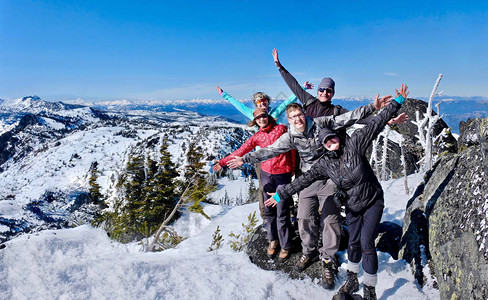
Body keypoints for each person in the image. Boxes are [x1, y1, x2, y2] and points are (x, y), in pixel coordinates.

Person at [226, 95, 392, 289]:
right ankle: (309, 251)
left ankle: (327, 260)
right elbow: (269, 150)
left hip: (330, 178)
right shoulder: (290, 137)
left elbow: (348, 118)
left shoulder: (321, 124)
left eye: (299, 115)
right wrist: (244, 159)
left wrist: (373, 107)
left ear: (304, 114)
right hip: (307, 178)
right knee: (304, 217)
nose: (297, 119)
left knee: (330, 219)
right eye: (293, 117)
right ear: (288, 120)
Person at [265, 85, 409, 300]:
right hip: (352, 204)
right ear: (322, 145)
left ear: (337, 136)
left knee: (366, 243)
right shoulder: (324, 165)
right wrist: (280, 195)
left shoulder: (355, 144)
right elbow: (303, 180)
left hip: (371, 201)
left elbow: (377, 123)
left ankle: (370, 288)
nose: (331, 142)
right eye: (326, 141)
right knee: (352, 242)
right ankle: (352, 278)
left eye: (332, 137)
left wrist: (396, 103)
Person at [213, 108, 296, 261]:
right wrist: (223, 162)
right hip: (266, 174)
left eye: (263, 116)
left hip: (282, 173)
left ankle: (285, 245)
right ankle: (273, 240)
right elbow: (241, 150)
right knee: (269, 208)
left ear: (268, 116)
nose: (261, 119)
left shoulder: (281, 129)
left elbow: (291, 148)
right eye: (258, 118)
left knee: (282, 208)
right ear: (255, 121)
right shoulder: (257, 137)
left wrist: (292, 167)